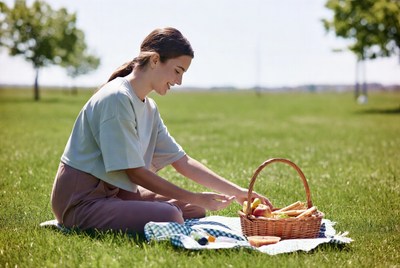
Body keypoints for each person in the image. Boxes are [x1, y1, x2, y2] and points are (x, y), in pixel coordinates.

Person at [51, 27, 272, 234]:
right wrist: (195, 196)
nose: (179, 81)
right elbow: (134, 172)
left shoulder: (149, 107)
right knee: (170, 215)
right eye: (177, 71)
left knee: (195, 210)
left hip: (115, 193)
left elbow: (182, 161)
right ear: (155, 60)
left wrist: (239, 193)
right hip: (81, 201)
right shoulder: (117, 98)